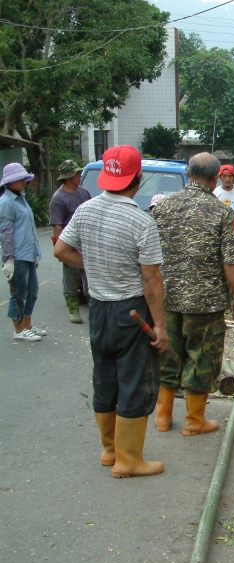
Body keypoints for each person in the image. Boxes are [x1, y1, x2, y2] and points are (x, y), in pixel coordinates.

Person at [54, 145, 168, 478]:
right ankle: (129, 459)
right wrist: (159, 325)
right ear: (137, 178)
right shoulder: (140, 220)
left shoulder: (86, 210)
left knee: (104, 376)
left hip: (99, 311)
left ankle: (109, 450)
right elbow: (151, 278)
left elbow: (61, 249)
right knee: (134, 380)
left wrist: (93, 268)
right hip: (130, 312)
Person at [151, 153, 234, 436]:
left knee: (169, 354)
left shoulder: (162, 207)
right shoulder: (221, 212)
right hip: (206, 303)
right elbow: (232, 262)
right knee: (202, 357)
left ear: (188, 173)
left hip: (167, 298)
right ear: (216, 177)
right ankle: (194, 421)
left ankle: (163, 416)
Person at [0, 163, 44, 342]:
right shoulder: (6, 202)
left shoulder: (21, 198)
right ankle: (18, 330)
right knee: (18, 294)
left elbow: (28, 228)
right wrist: (8, 259)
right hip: (16, 255)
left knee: (32, 292)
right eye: (19, 179)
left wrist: (34, 252)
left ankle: (28, 325)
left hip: (27, 252)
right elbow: (6, 232)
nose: (23, 182)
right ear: (10, 182)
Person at [49, 159, 91, 324]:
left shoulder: (84, 193)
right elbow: (57, 226)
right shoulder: (58, 199)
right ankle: (73, 309)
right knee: (71, 278)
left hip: (86, 243)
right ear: (68, 177)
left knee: (89, 277)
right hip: (70, 243)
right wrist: (60, 248)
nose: (80, 176)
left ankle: (92, 306)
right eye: (77, 173)